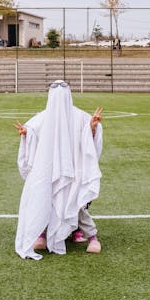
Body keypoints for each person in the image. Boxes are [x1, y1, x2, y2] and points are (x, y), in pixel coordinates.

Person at [13, 80, 103, 260]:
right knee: (48, 200)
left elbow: (89, 137)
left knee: (76, 203)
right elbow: (33, 131)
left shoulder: (79, 117)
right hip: (50, 170)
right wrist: (27, 134)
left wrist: (92, 128)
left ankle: (91, 236)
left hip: (74, 169)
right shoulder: (43, 117)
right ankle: (45, 234)